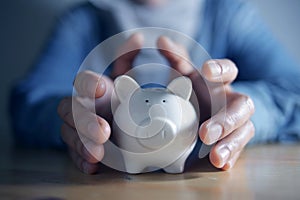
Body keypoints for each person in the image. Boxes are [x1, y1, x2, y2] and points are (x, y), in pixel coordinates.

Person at [10, 0, 300, 174]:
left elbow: (293, 90)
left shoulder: (230, 15)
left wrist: (245, 110)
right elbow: (27, 104)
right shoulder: (83, 21)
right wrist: (81, 115)